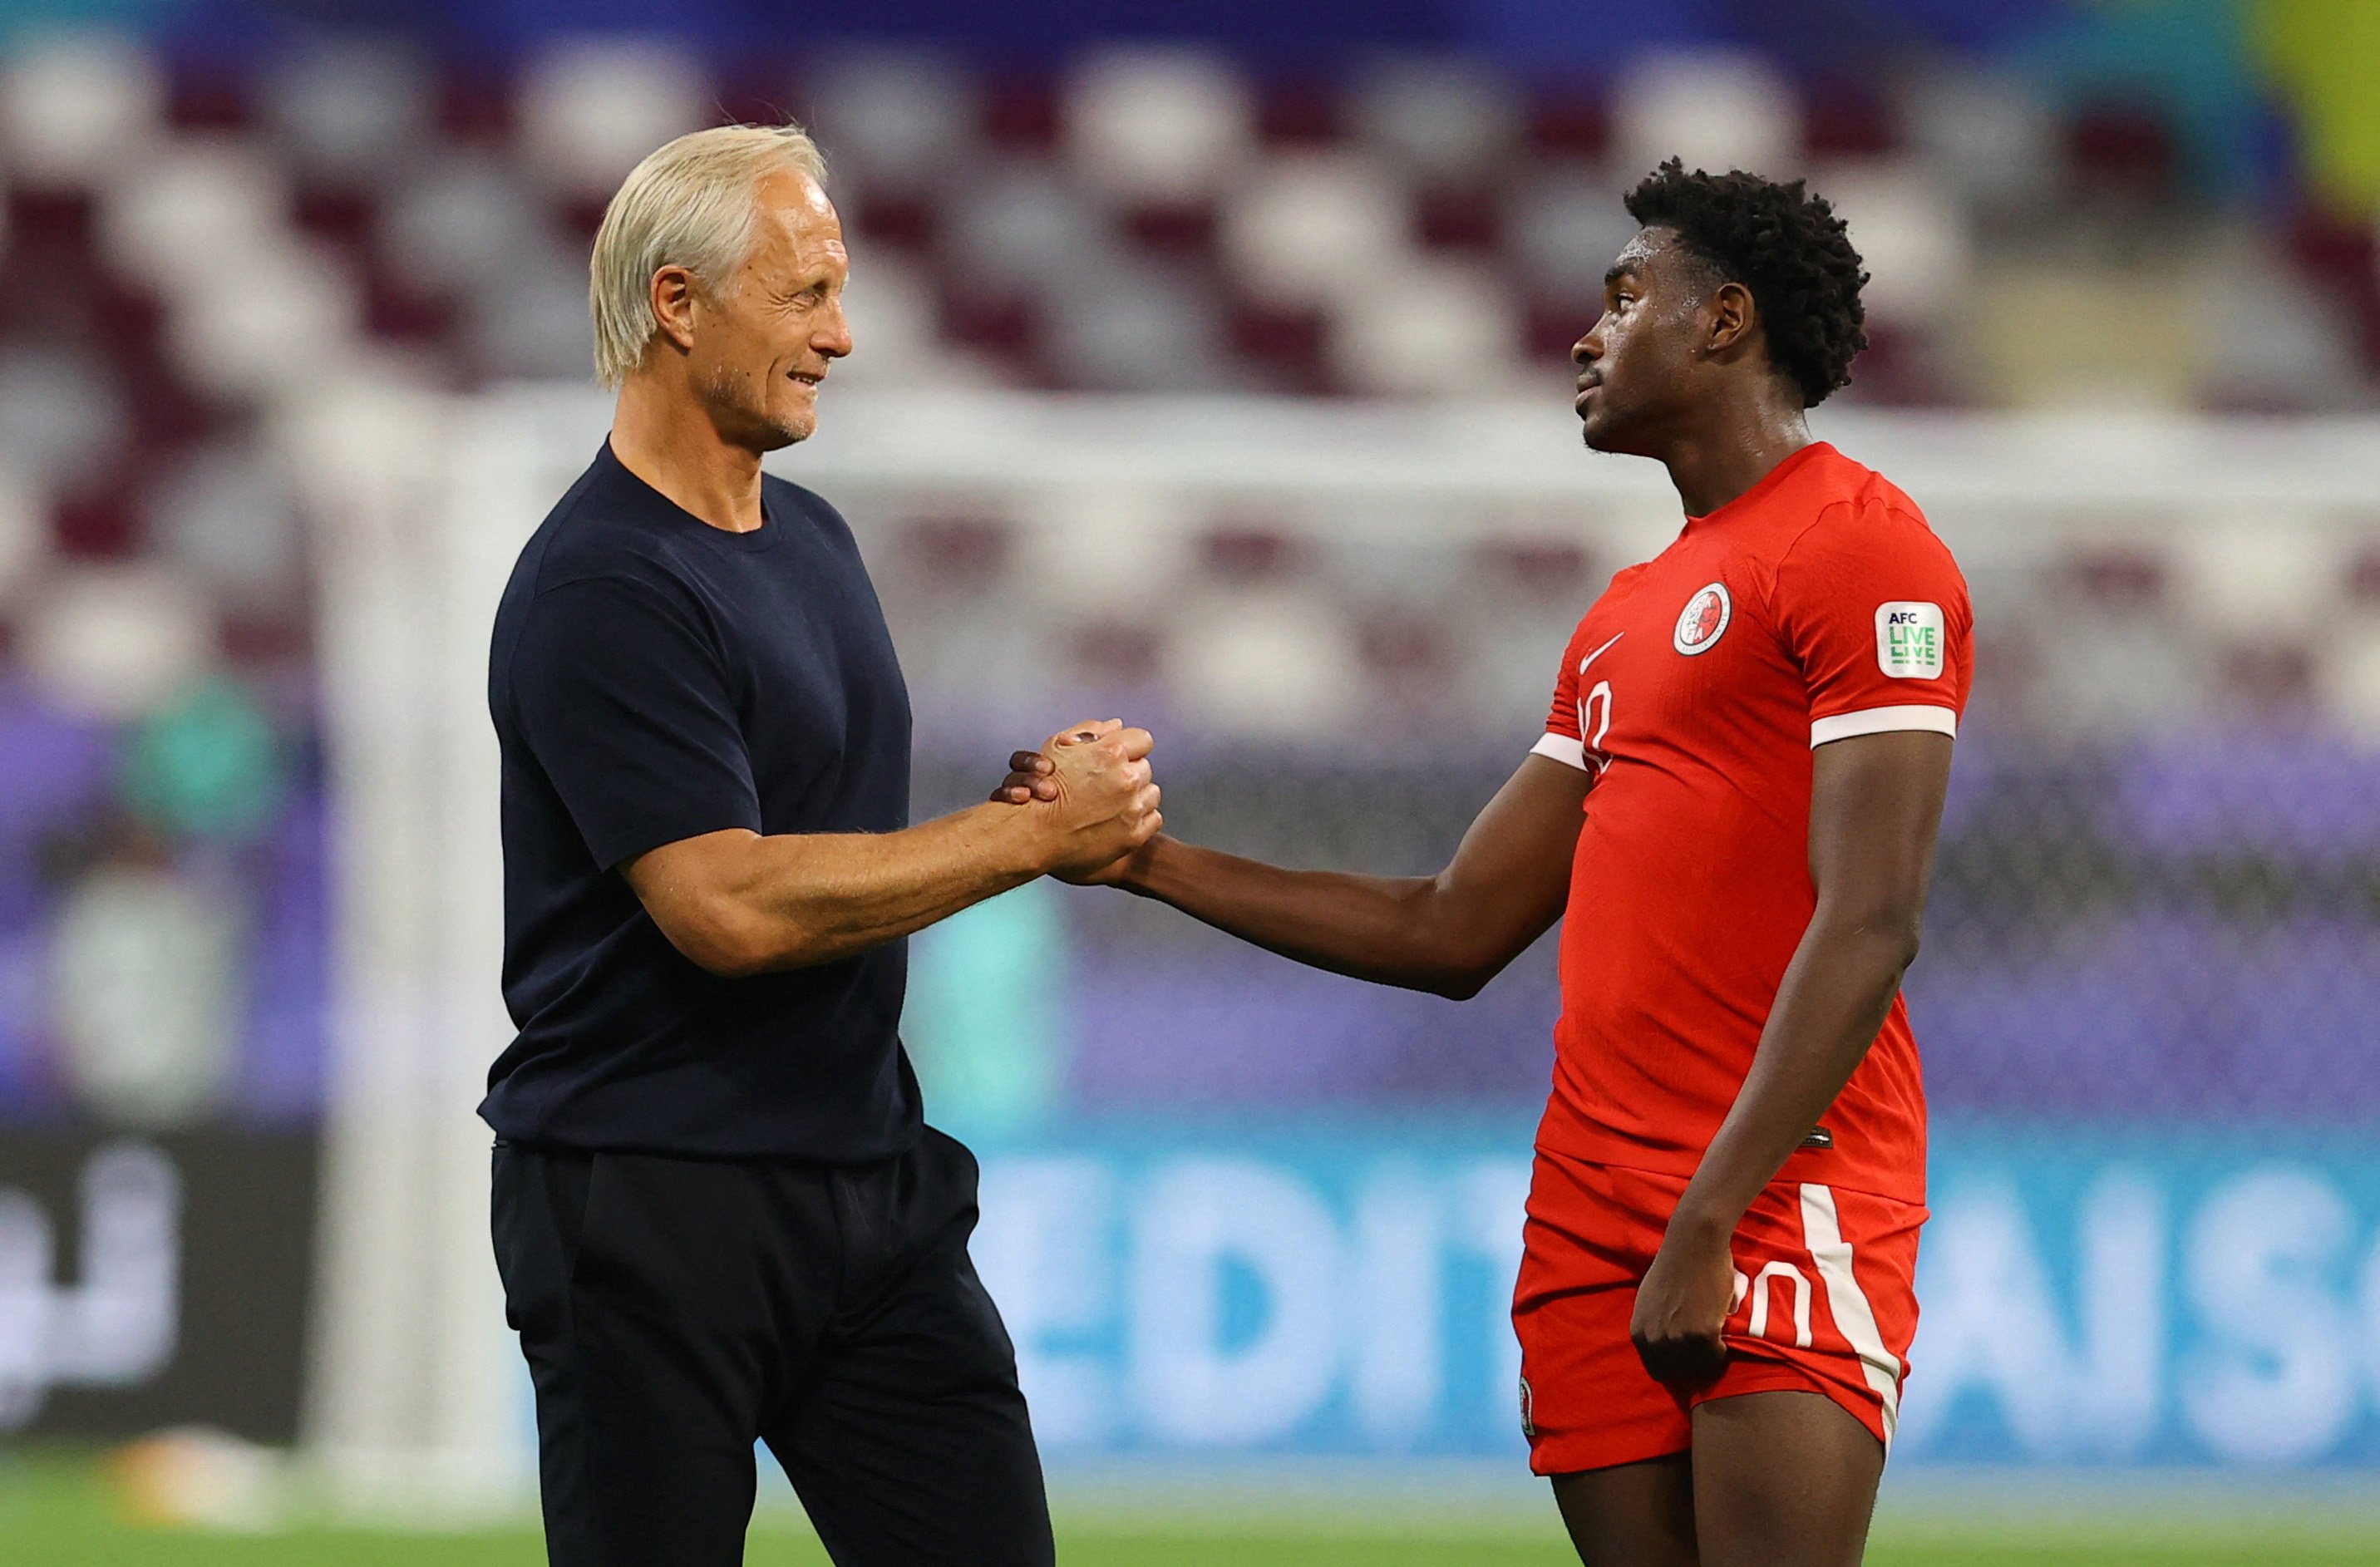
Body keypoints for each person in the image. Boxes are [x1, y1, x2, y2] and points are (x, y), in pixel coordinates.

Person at [1003, 160, 1971, 1566]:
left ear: (1727, 320)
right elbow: (1453, 926)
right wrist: (1143, 862)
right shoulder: (1624, 619)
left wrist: (1712, 1214)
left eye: (1628, 295)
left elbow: (1874, 920)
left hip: (1775, 1191)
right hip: (1589, 1210)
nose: (1589, 333)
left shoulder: (1863, 552)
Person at [482, 123, 1159, 1567]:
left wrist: (1020, 812)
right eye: (803, 294)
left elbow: (817, 832)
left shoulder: (817, 537)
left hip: (866, 1182)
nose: (842, 336)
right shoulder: (602, 585)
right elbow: (722, 903)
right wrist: (1018, 843)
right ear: (677, 304)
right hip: (647, 1196)